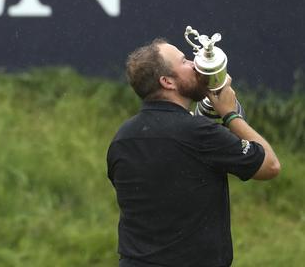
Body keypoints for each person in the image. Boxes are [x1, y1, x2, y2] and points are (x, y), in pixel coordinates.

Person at [107, 38, 280, 267]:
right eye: (185, 61)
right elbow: (269, 165)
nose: (195, 64)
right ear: (167, 81)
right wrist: (230, 115)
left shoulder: (122, 138)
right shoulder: (199, 134)